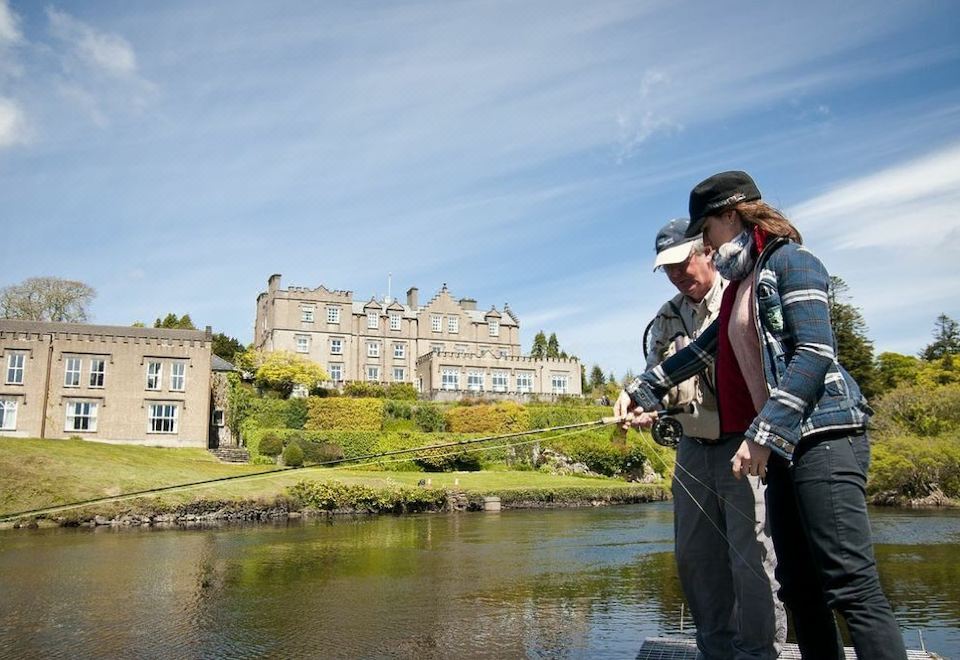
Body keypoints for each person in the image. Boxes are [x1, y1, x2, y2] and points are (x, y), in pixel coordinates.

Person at [616, 171, 907, 660]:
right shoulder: (739, 286)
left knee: (849, 587)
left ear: (730, 216)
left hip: (826, 438)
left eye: (705, 229)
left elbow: (814, 353)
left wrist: (761, 433)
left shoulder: (793, 262)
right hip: (786, 449)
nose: (704, 242)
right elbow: (700, 353)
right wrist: (641, 390)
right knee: (799, 588)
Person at [641, 218, 785, 660]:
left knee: (753, 557)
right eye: (667, 269)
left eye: (683, 262)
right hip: (692, 450)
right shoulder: (665, 319)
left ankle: (759, 653)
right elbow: (657, 383)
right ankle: (715, 651)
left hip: (745, 444)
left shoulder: (740, 295)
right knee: (695, 559)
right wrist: (649, 408)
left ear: (706, 251)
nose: (677, 274)